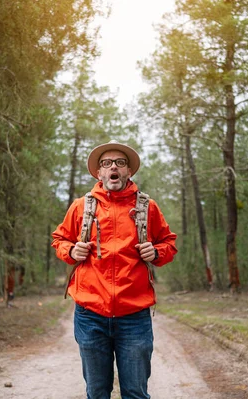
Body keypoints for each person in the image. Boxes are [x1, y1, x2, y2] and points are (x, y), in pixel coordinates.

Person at [52, 141, 178, 399]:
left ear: (128, 171)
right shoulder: (81, 207)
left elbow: (169, 243)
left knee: (135, 393)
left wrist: (156, 252)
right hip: (90, 315)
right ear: (98, 173)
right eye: (106, 163)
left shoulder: (146, 207)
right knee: (97, 393)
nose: (113, 168)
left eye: (120, 163)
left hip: (134, 316)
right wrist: (70, 251)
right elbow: (59, 239)